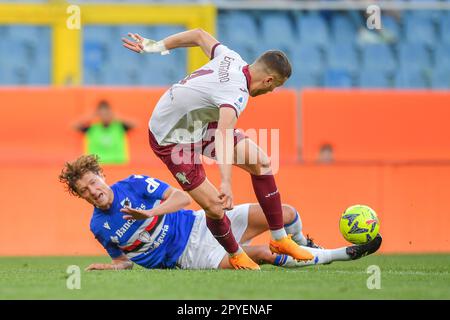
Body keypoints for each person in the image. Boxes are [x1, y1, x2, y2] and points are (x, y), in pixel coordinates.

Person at [121, 28, 312, 270]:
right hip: (170, 138)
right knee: (214, 205)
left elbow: (199, 35)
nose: (270, 92)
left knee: (261, 162)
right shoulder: (236, 94)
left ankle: (279, 238)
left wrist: (156, 46)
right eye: (274, 87)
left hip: (196, 125)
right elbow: (222, 135)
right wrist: (226, 182)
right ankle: (235, 254)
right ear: (269, 80)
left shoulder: (231, 57)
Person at [58, 154, 382, 271]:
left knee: (284, 213)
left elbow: (183, 199)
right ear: (82, 197)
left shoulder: (134, 184)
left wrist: (150, 213)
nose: (93, 191)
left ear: (101, 176)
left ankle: (306, 244)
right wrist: (111, 267)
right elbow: (124, 260)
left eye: (92, 182)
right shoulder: (99, 226)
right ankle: (343, 255)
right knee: (262, 254)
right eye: (85, 191)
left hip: (202, 222)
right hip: (191, 256)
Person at [74, 100, 136, 165]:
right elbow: (74, 127)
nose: (104, 115)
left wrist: (116, 116)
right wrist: (92, 116)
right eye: (102, 113)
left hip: (118, 164)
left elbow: (135, 125)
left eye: (107, 113)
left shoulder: (119, 126)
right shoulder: (92, 128)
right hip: (96, 166)